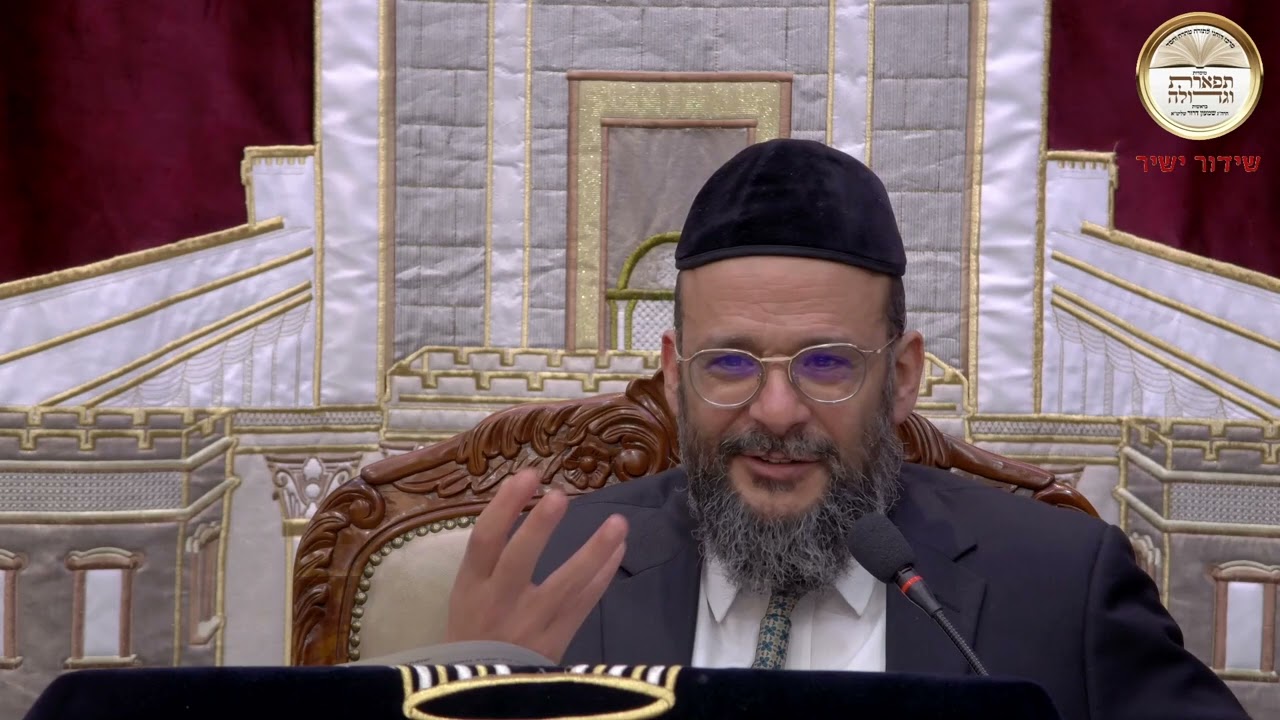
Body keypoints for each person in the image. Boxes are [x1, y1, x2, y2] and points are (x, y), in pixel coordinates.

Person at [442, 139, 1249, 719]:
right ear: (676, 376)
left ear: (902, 377)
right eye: (730, 363)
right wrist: (466, 692)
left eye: (826, 364)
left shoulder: (1061, 584)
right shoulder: (548, 573)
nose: (776, 411)